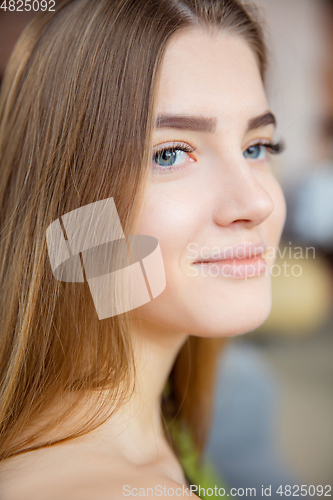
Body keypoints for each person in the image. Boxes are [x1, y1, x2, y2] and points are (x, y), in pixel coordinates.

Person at [0, 0, 286, 498]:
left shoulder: (166, 422)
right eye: (170, 154)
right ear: (68, 203)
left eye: (256, 147)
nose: (256, 202)